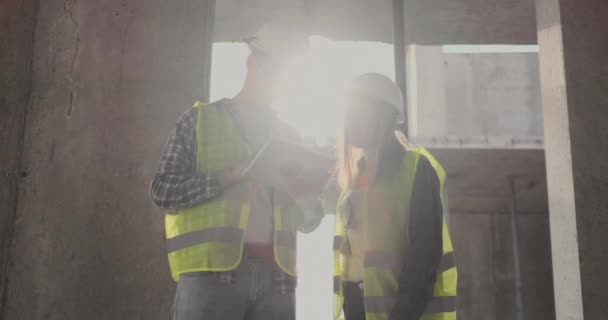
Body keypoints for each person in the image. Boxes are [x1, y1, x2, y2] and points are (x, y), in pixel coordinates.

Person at [150, 21, 325, 320]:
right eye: (274, 69)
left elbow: (309, 222)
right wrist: (227, 176)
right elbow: (163, 191)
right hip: (211, 277)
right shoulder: (199, 121)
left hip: (277, 280)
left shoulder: (292, 137)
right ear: (252, 62)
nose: (278, 80)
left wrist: (308, 196)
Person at [330, 73, 458, 320]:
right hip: (357, 309)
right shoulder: (354, 178)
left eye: (359, 111)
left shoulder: (417, 170)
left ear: (386, 117)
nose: (351, 120)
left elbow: (424, 257)